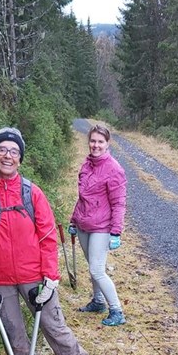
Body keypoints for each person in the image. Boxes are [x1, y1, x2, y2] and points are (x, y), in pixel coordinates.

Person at [0, 127, 91, 355]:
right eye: (2, 150)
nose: (7, 156)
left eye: (14, 151)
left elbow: (47, 237)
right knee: (14, 334)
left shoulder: (32, 193)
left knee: (54, 326)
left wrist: (51, 278)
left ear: (20, 158)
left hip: (35, 277)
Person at [69, 123, 127, 327]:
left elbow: (119, 203)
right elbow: (82, 197)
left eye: (100, 141)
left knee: (97, 270)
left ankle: (117, 311)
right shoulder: (86, 165)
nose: (95, 145)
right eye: (93, 141)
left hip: (102, 227)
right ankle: (98, 301)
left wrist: (116, 232)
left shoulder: (114, 169)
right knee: (93, 266)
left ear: (107, 143)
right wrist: (74, 220)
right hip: (84, 223)